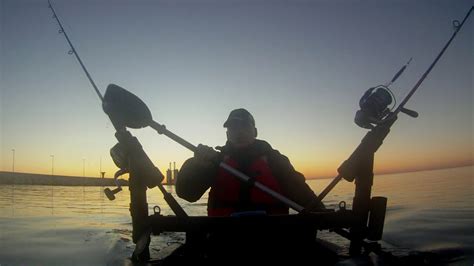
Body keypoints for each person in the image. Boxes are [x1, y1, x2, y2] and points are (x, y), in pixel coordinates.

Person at [176, 108, 325, 216]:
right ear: (227, 134)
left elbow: (304, 197)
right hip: (223, 239)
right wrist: (195, 165)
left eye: (245, 126)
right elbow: (186, 193)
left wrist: (324, 214)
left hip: (272, 238)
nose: (239, 132)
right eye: (233, 127)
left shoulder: (275, 161)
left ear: (255, 131)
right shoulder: (214, 161)